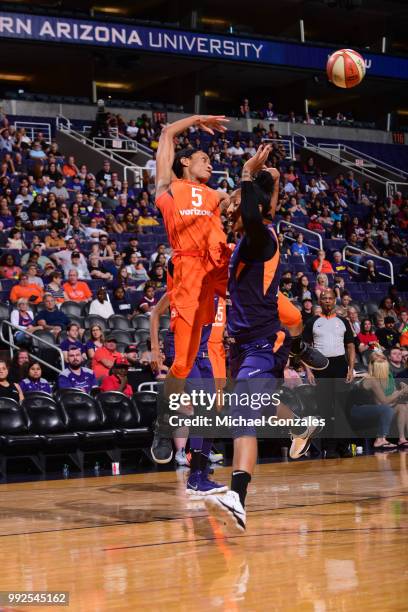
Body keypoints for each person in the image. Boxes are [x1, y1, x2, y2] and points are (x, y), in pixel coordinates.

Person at [205, 146, 323, 532]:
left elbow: (256, 215)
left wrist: (245, 173)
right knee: (259, 404)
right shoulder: (245, 241)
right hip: (243, 344)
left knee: (242, 412)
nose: (231, 208)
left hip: (264, 343)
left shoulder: (262, 239)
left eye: (236, 204)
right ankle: (301, 424)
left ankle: (238, 496)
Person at [155, 113, 231, 414]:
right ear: (185, 162)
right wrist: (198, 119)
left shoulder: (216, 194)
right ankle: (166, 410)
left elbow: (240, 203)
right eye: (203, 158)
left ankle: (297, 342)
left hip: (217, 266)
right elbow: (166, 135)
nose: (210, 163)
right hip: (189, 271)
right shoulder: (168, 188)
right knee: (183, 362)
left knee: (266, 296)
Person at [304, 288, 356, 459]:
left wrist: (350, 368)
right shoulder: (313, 322)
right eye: (324, 298)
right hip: (321, 368)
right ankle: (330, 448)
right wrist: (309, 371)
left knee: (343, 407)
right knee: (325, 409)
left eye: (330, 298)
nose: (327, 301)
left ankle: (343, 446)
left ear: (335, 300)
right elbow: (303, 349)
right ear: (320, 301)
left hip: (340, 365)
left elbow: (350, 346)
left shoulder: (343, 321)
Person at [350, 352, 407, 451]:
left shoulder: (387, 377)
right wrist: (401, 391)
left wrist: (402, 392)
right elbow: (383, 402)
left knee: (402, 406)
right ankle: (380, 440)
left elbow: (392, 396)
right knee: (386, 409)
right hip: (358, 409)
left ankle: (402, 438)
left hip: (376, 407)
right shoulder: (371, 379)